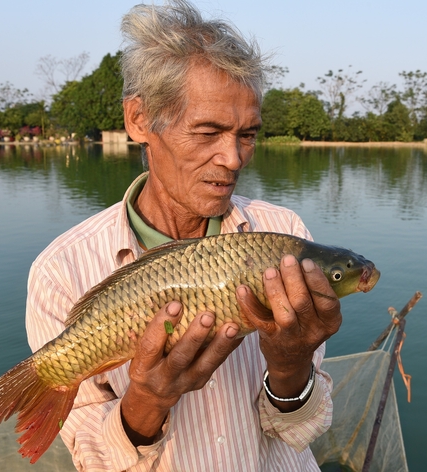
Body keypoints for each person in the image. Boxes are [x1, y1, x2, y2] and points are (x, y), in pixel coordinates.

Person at [25, 1, 341, 470]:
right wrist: (147, 401)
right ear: (139, 121)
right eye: (208, 131)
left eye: (247, 134)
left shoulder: (284, 235)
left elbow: (301, 430)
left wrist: (292, 364)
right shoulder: (62, 270)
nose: (233, 159)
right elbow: (93, 460)